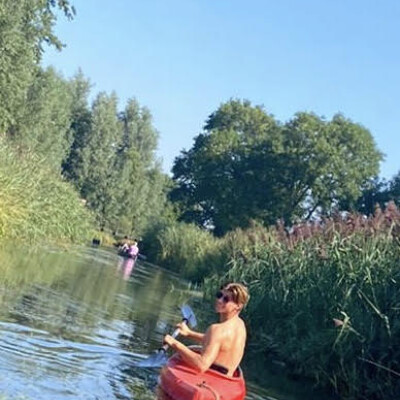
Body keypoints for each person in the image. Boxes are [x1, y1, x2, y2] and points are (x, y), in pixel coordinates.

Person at [163, 282, 249, 377]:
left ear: (238, 306)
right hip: (226, 380)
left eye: (226, 299)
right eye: (219, 295)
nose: (220, 300)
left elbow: (202, 365)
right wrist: (189, 333)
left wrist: (174, 343)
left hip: (210, 378)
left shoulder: (217, 329)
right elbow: (217, 342)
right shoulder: (240, 325)